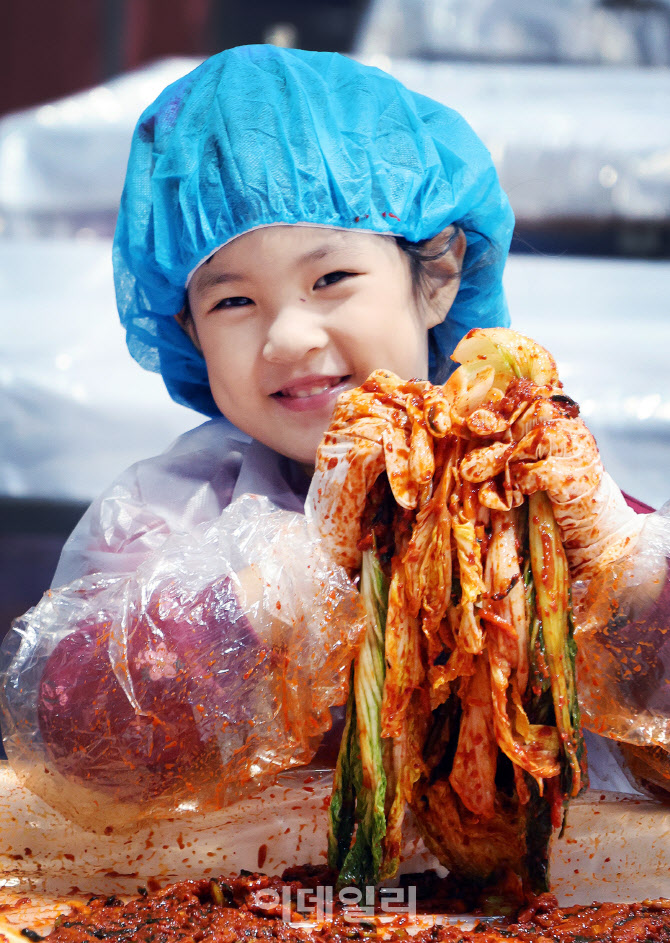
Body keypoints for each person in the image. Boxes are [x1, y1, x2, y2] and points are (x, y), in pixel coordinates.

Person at [1, 46, 668, 820]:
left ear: (440, 272)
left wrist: (626, 568)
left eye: (331, 280)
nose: (287, 337)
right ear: (187, 329)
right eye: (232, 302)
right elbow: (73, 748)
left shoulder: (537, 489)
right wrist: (280, 588)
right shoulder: (168, 515)